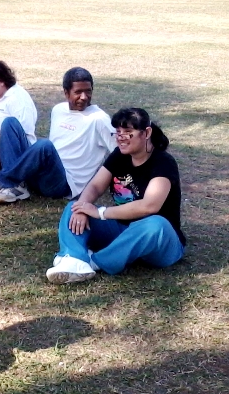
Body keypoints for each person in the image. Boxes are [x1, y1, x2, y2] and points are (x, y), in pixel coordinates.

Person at [46, 108, 185, 284]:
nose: (121, 137)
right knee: (73, 207)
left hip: (160, 241)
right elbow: (96, 186)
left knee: (156, 224)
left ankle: (94, 261)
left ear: (147, 132)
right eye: (118, 132)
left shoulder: (163, 162)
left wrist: (102, 213)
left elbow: (150, 206)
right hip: (123, 230)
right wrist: (83, 206)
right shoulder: (120, 155)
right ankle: (73, 258)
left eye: (128, 132)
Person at [0, 67, 115, 203]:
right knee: (10, 123)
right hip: (41, 175)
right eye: (78, 92)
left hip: (62, 185)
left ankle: (1, 182)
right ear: (66, 92)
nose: (83, 97)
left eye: (88, 91)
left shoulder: (99, 119)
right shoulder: (58, 110)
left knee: (44, 145)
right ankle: (16, 188)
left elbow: (121, 152)